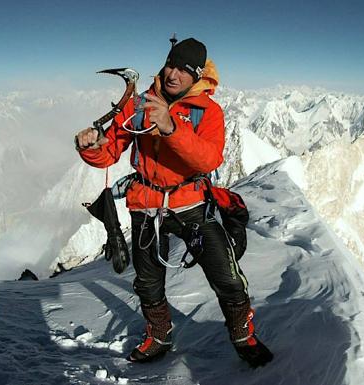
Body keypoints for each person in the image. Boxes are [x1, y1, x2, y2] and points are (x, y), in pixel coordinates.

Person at [75, 38, 273, 367]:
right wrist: (91, 146)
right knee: (148, 281)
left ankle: (243, 335)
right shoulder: (138, 105)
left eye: (184, 69)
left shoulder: (208, 112)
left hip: (191, 202)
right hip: (146, 203)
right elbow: (110, 151)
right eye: (171, 64)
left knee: (226, 275)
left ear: (198, 76)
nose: (173, 74)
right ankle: (159, 335)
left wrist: (170, 127)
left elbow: (208, 159)